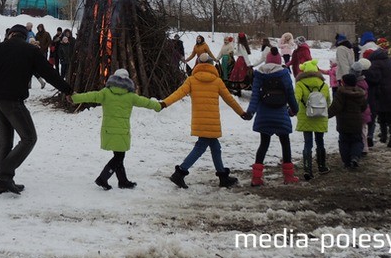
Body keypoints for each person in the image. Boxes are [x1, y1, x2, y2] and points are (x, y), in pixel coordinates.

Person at [0, 24, 73, 195]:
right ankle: (3, 175)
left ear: (12, 34)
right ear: (24, 35)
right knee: (29, 138)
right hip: (13, 101)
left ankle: (2, 182)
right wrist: (67, 90)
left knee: (5, 140)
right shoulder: (31, 51)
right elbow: (49, 73)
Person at [163, 53, 248, 189]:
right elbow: (229, 99)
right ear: (211, 65)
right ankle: (180, 173)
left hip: (199, 121)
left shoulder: (191, 80)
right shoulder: (217, 81)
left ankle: (222, 176)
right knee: (202, 147)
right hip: (212, 122)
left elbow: (178, 93)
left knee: (215, 147)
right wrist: (241, 113)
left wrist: (165, 103)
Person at [71, 69, 162, 190]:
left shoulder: (106, 93)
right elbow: (145, 102)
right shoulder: (130, 96)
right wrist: (158, 106)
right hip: (122, 131)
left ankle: (123, 181)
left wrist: (75, 98)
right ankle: (102, 178)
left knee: (119, 156)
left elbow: (91, 96)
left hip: (108, 130)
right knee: (118, 157)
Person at [243, 47, 300, 186]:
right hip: (281, 114)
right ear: (279, 60)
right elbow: (290, 95)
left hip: (264, 115)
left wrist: (250, 112)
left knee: (263, 144)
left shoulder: (259, 75)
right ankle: (288, 176)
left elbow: (255, 96)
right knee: (285, 143)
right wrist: (294, 109)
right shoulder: (284, 73)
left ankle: (256, 178)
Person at [294, 60, 331, 180]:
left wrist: (293, 110)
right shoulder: (324, 85)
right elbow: (328, 101)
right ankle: (322, 166)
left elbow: (296, 99)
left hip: (306, 117)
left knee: (307, 144)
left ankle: (307, 169)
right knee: (320, 141)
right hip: (320, 116)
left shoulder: (300, 84)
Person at [363, 46, 391, 148]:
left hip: (383, 93)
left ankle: (384, 137)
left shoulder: (375, 64)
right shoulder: (388, 61)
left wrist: (364, 73)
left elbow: (375, 79)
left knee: (382, 115)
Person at [329, 73, 367, 169]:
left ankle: (346, 162)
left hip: (343, 122)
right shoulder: (360, 93)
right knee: (357, 140)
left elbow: (336, 107)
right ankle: (354, 157)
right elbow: (364, 107)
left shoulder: (341, 93)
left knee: (344, 141)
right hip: (357, 121)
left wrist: (326, 115)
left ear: (344, 83)